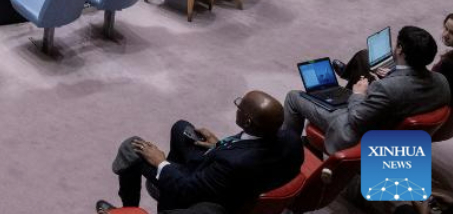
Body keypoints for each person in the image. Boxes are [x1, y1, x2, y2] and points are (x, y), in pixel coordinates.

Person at [96, 91, 304, 213]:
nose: (237, 107)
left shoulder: (233, 164)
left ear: (248, 121)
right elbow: (248, 156)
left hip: (204, 193)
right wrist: (219, 145)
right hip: (228, 176)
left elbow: (190, 188)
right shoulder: (292, 140)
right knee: (182, 128)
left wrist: (161, 162)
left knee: (132, 147)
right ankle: (167, 193)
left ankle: (127, 209)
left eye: (240, 106)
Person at [283, 26, 451, 154]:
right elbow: (409, 92)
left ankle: (287, 152)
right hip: (393, 131)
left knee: (294, 98)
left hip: (360, 132)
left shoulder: (385, 88)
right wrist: (393, 77)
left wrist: (358, 95)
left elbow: (356, 120)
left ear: (399, 49)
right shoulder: (442, 82)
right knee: (364, 61)